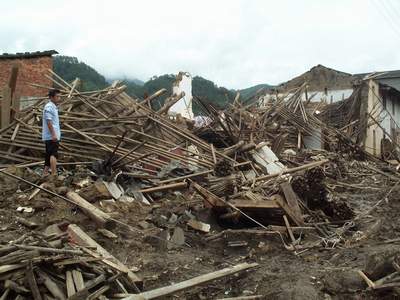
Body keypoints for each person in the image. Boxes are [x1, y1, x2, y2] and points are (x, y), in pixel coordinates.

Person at [42, 89, 61, 176]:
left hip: (51, 136)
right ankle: (54, 174)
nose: (59, 98)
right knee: (54, 154)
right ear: (51, 97)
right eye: (57, 96)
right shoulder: (49, 107)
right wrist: (53, 134)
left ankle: (45, 173)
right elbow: (48, 121)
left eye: (59, 96)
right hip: (52, 136)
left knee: (48, 155)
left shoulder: (53, 107)